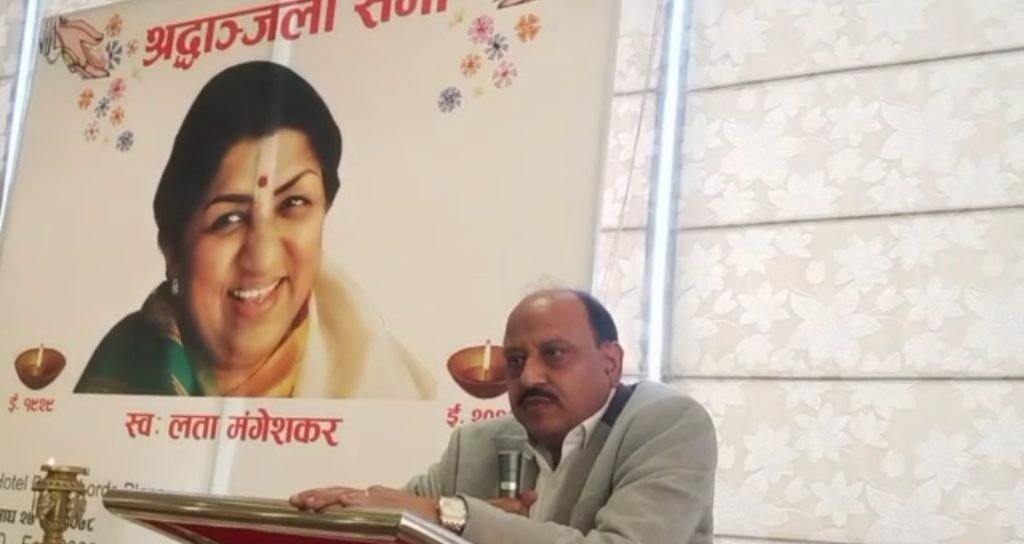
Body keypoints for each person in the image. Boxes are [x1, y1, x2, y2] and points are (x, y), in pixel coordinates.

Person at [74, 61, 436, 400]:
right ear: (172, 249)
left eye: (294, 202)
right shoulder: (121, 378)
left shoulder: (386, 390)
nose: (261, 258)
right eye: (228, 219)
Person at [290, 289, 717, 544]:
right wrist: (350, 510)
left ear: (610, 362)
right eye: (515, 360)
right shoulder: (476, 444)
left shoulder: (669, 425)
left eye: (554, 353)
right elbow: (404, 519)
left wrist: (456, 516)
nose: (528, 376)